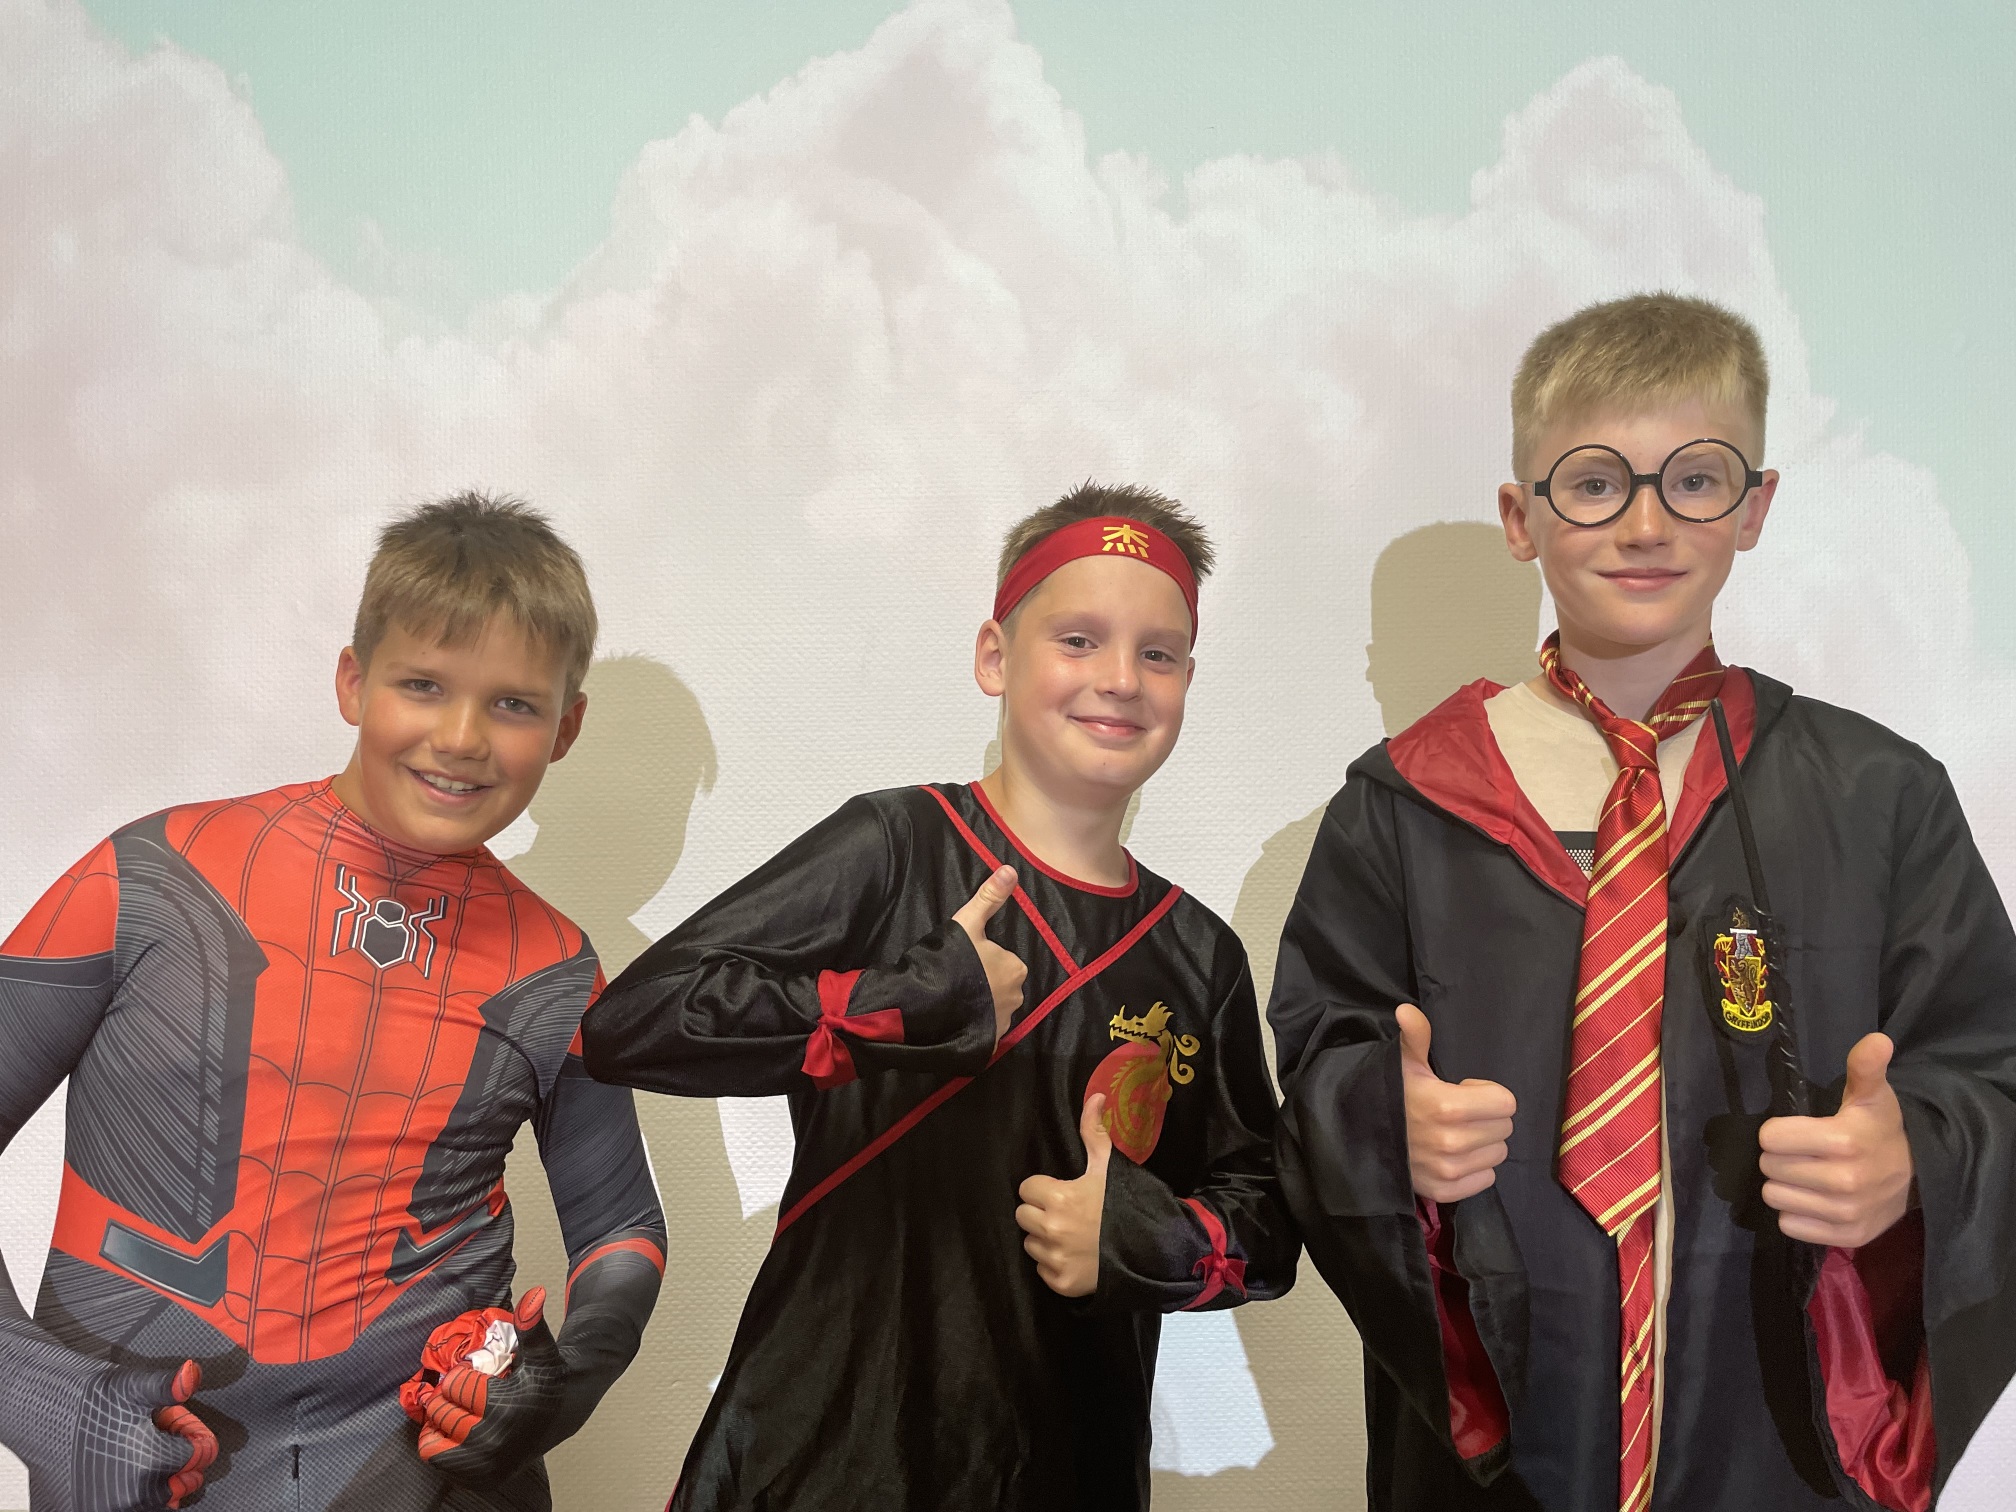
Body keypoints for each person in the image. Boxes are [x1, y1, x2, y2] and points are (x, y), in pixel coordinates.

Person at [1269, 294, 2016, 1512]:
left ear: (1755, 507)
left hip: (1771, 1426)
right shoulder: (1404, 806)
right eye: (1595, 483)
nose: (1647, 523)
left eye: (1696, 480)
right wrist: (1380, 1127)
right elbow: (1317, 1064)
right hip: (1504, 1433)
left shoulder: (1880, 800)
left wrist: (1918, 1162)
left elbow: (1993, 1068)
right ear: (1522, 518)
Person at [584, 482, 1297, 1512]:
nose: (1119, 679)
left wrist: (1157, 1239)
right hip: (822, 1453)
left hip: (1065, 1470)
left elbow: (1266, 1213)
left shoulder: (1198, 955)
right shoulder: (896, 845)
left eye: (1159, 653)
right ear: (995, 658)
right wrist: (903, 1002)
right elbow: (631, 1024)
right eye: (1079, 640)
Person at [0, 493, 668, 1511]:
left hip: (431, 1478)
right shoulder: (147, 879)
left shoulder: (559, 970)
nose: (461, 737)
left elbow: (621, 1231)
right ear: (354, 681)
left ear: (566, 728)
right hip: (142, 1465)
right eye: (423, 685)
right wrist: (39, 1398)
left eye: (513, 705)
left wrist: (560, 1391)